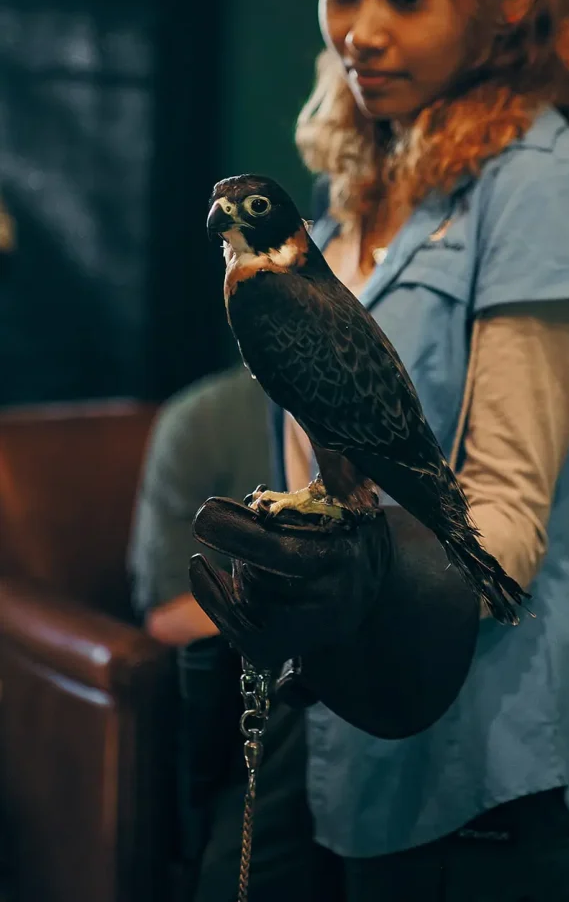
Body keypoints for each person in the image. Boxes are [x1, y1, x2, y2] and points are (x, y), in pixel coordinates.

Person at [190, 0, 569, 902]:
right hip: (330, 729)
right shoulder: (348, 199)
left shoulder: (548, 191)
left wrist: (362, 583)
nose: (361, 28)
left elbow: (506, 515)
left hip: (474, 766)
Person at [127, 365, 342, 901]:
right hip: (246, 694)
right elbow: (169, 611)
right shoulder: (202, 420)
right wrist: (302, 622)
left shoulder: (388, 413)